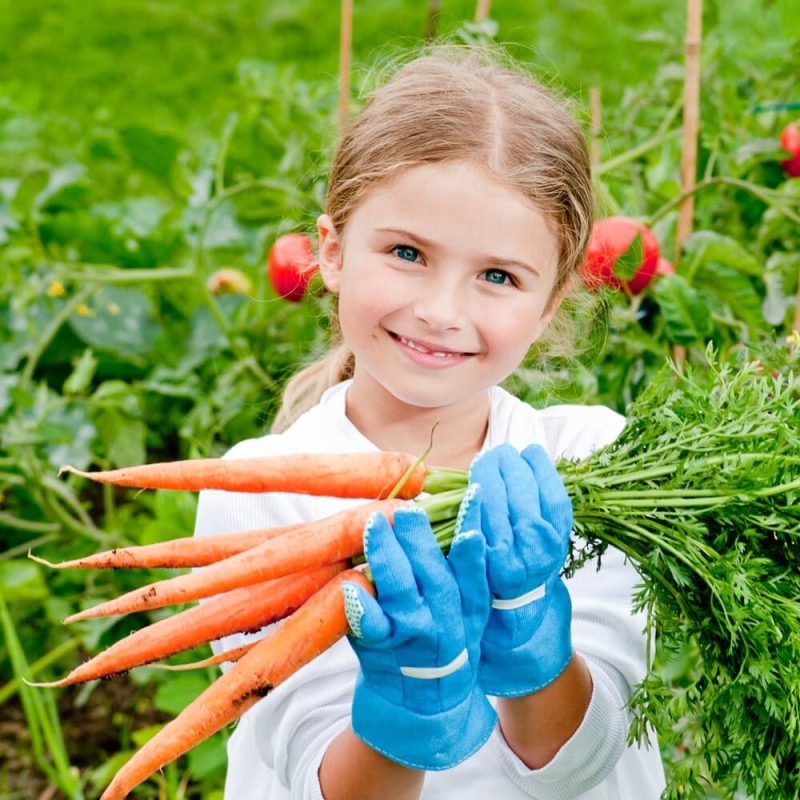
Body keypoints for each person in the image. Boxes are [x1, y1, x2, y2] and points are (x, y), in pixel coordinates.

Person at [194, 44, 667, 800]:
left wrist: (535, 650)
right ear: (333, 252)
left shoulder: (591, 464)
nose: (442, 311)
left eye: (497, 276)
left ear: (549, 306)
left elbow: (589, 765)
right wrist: (408, 713)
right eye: (408, 253)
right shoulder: (255, 497)